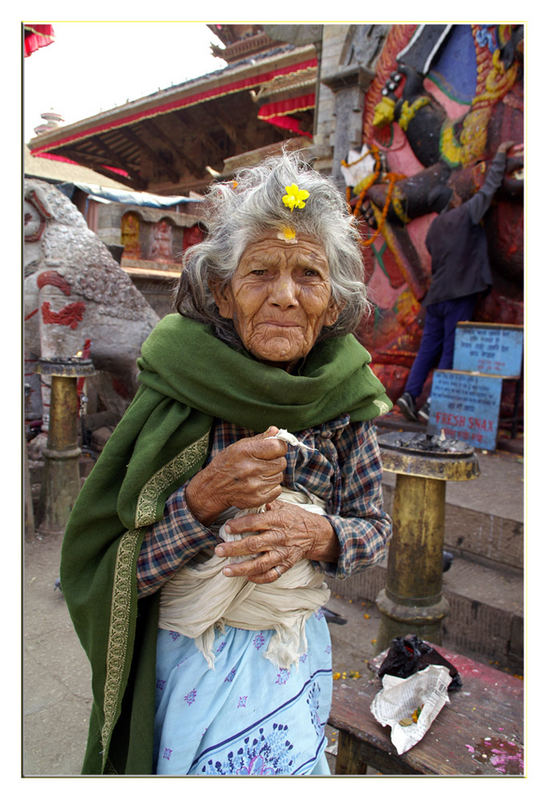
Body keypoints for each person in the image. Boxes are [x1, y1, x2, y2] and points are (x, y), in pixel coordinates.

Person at [60, 151, 393, 776]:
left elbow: (375, 529)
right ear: (221, 290)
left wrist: (320, 534)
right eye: (260, 271)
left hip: (292, 656)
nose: (285, 297)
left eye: (309, 276)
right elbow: (109, 571)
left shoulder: (345, 397)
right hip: (188, 663)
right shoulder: (175, 386)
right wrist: (200, 500)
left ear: (333, 301)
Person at [396, 140, 517, 423]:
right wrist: (499, 156)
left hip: (436, 297)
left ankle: (409, 395)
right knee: (450, 350)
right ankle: (433, 405)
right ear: (453, 201)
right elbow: (490, 189)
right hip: (460, 294)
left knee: (428, 350)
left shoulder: (435, 229)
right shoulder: (466, 213)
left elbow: (434, 258)